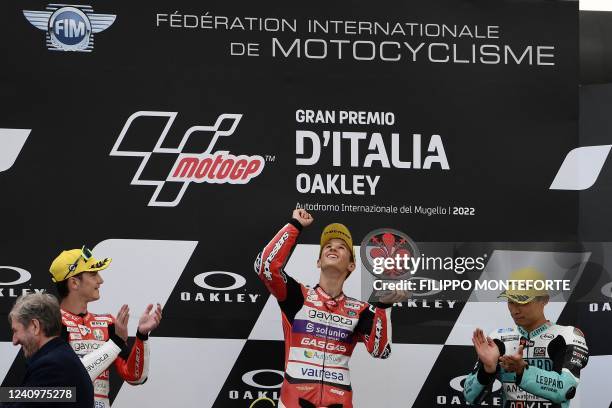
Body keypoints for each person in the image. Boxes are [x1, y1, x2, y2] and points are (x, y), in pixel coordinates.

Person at [254, 209, 405, 408]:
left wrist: (383, 308)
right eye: (328, 246)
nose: (333, 249)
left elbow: (380, 351)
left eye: (341, 247)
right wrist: (295, 225)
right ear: (318, 261)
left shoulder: (359, 310)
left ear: (351, 265)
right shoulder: (298, 296)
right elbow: (265, 266)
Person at [49, 246, 163, 408]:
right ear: (74, 282)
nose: (100, 280)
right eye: (94, 274)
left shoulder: (107, 324)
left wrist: (141, 336)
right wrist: (115, 343)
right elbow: (67, 379)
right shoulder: (51, 323)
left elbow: (135, 377)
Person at [463, 267, 589, 408]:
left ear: (544, 300)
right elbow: (470, 396)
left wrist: (523, 371)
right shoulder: (498, 338)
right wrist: (487, 369)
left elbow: (565, 389)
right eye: (511, 301)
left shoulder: (567, 336)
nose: (515, 310)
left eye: (523, 302)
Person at [8, 293, 93, 408]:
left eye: (16, 331)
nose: (14, 341)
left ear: (35, 326)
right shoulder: (60, 357)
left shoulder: (51, 367)